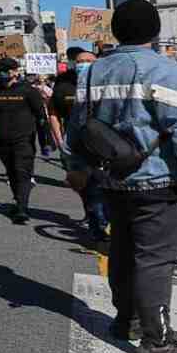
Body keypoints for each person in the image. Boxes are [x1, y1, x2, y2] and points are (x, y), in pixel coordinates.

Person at [66, 0, 177, 353]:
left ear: (115, 32)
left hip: (112, 178)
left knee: (122, 251)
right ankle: (157, 341)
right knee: (155, 259)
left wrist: (76, 168)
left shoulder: (91, 73)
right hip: (158, 181)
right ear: (155, 31)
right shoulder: (167, 71)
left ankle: (127, 319)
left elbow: (77, 131)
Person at [50, 48, 108, 243]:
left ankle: (101, 219)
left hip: (106, 144)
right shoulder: (64, 83)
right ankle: (97, 227)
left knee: (104, 188)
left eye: (89, 61)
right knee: (88, 189)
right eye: (80, 61)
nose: (84, 64)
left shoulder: (107, 79)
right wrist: (60, 139)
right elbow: (54, 112)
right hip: (77, 146)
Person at [0, 57, 47, 224]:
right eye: (0, 70)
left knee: (22, 171)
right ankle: (18, 199)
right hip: (1, 141)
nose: (3, 72)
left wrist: (45, 140)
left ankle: (22, 208)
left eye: (6, 69)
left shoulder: (28, 91)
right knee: (12, 172)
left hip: (24, 140)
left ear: (15, 72)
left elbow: (41, 116)